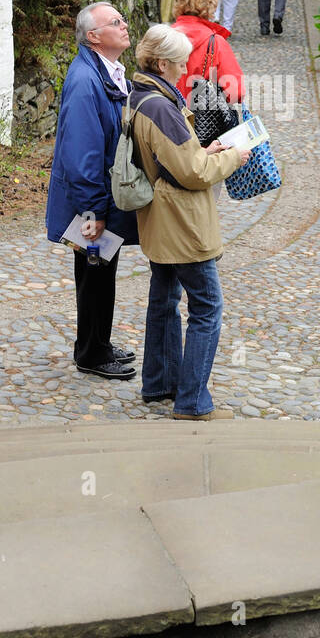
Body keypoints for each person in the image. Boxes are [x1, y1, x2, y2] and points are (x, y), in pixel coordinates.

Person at [127, 25, 250, 421]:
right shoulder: (162, 106)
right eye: (179, 64)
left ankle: (160, 382)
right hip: (181, 219)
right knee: (207, 307)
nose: (184, 71)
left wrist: (203, 147)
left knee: (164, 300)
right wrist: (232, 156)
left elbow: (175, 157)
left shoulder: (142, 95)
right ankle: (193, 402)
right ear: (161, 63)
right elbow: (193, 173)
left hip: (160, 217)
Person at [45, 1, 139, 380]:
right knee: (94, 274)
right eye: (115, 22)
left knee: (101, 273)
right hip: (93, 205)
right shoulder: (85, 81)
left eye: (122, 19)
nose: (124, 25)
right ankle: (91, 354)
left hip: (103, 199)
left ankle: (98, 343)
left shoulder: (107, 70)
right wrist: (93, 212)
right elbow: (81, 153)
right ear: (93, 36)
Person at [172, 0, 245, 109]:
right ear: (211, 5)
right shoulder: (216, 43)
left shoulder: (163, 37)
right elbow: (235, 92)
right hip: (202, 121)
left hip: (168, 116)